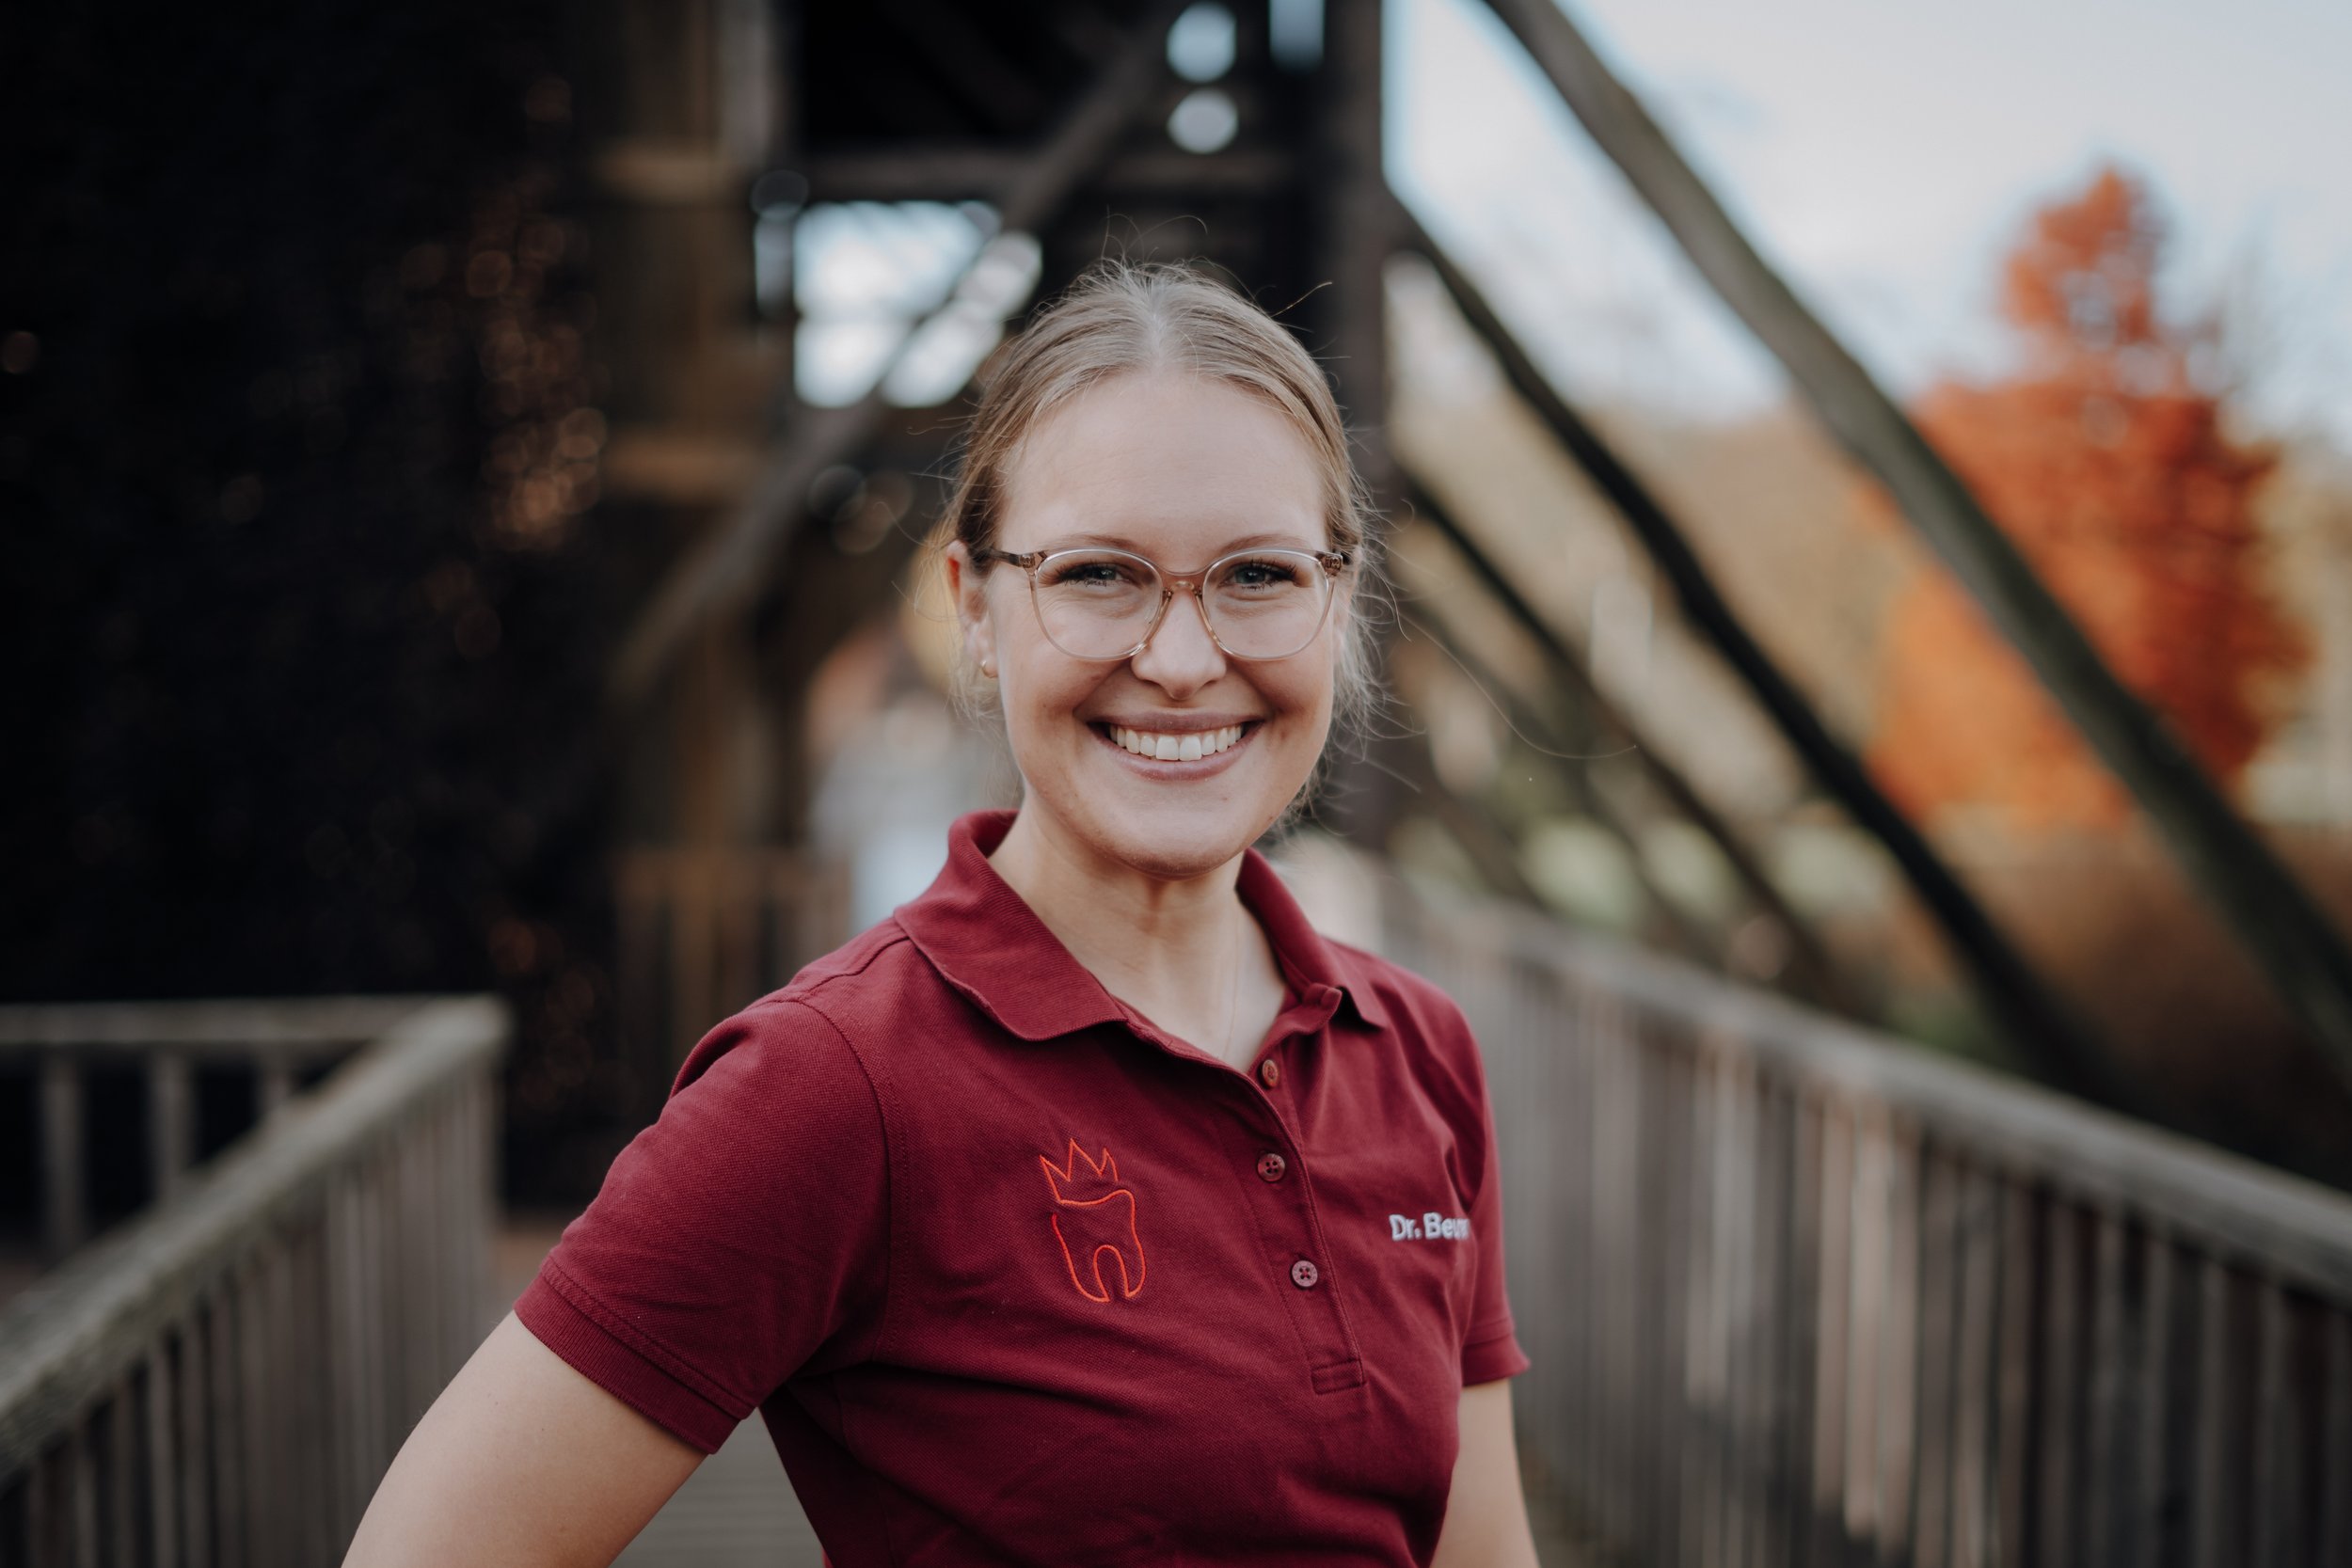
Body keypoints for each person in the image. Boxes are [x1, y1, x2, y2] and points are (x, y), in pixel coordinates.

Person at [342, 261, 1540, 1568]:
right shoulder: (833, 1084)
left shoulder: (1417, 1048)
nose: (1187, 661)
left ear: (1339, 596)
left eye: (1258, 574)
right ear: (977, 610)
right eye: (1098, 575)